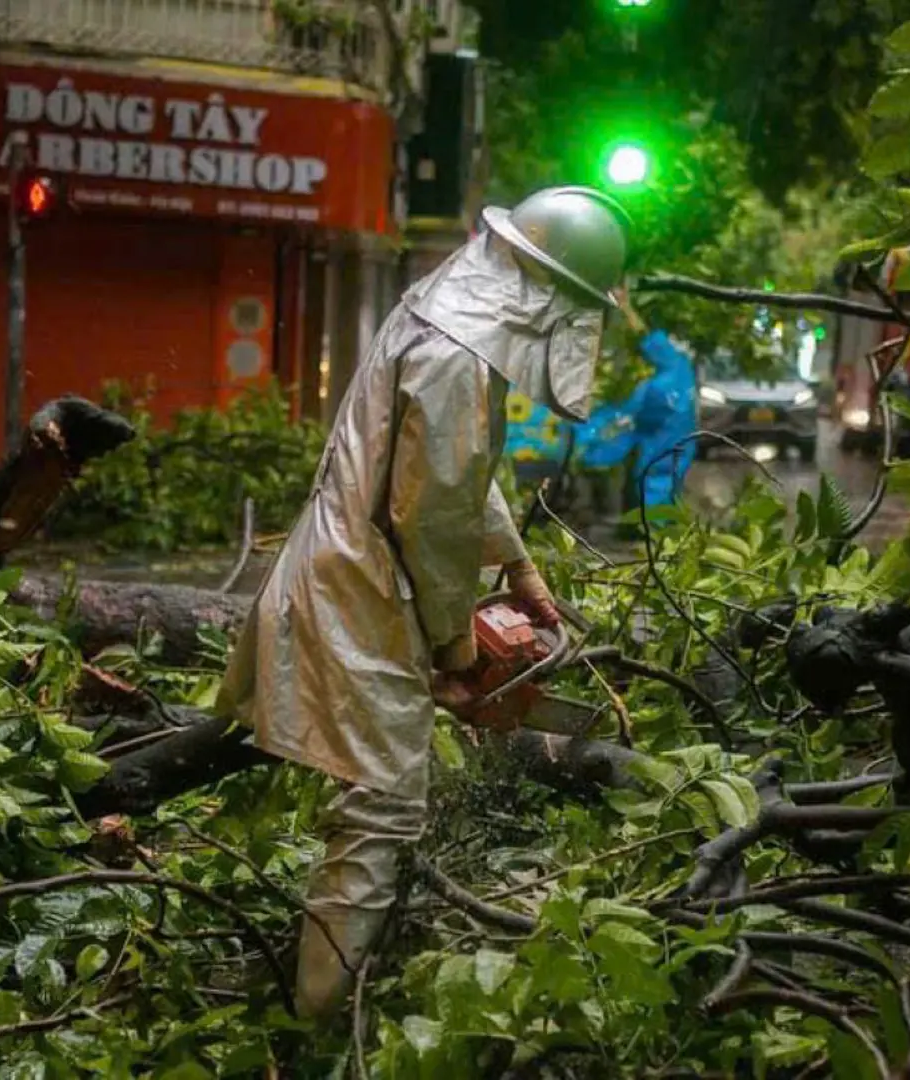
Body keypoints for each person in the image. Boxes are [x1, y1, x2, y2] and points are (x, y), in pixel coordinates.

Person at [214, 186, 632, 1019]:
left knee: (369, 800)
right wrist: (458, 652)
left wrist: (518, 569)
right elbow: (432, 516)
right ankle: (322, 1028)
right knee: (381, 813)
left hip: (357, 574)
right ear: (551, 294)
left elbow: (457, 474)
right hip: (360, 590)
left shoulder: (444, 324)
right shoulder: (453, 355)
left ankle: (327, 1000)